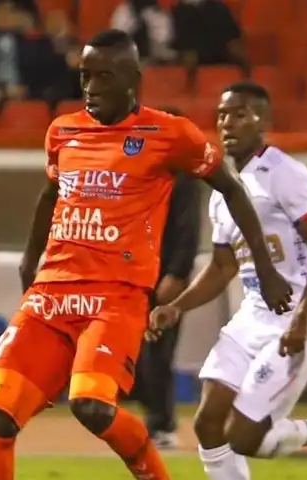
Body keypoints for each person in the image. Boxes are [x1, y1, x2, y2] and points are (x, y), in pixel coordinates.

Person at [0, 28, 293, 480]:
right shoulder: (63, 132)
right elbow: (51, 195)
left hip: (116, 296)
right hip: (51, 295)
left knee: (91, 406)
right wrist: (29, 265)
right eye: (84, 76)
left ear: (134, 80)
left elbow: (232, 188)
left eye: (103, 77)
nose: (91, 88)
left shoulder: (169, 135)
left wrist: (262, 269)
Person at [148, 81, 307, 480]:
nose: (227, 123)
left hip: (295, 319)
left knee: (245, 435)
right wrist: (178, 306)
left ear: (262, 120)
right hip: (252, 316)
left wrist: (303, 314)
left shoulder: (285, 173)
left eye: (239, 114)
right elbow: (222, 268)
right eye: (222, 115)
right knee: (206, 423)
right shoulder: (222, 192)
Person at [132, 105, 202, 449]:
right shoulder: (141, 172)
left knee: (158, 351)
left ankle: (161, 425)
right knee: (131, 350)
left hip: (164, 275)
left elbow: (188, 229)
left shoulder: (184, 176)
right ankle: (146, 419)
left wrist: (177, 272)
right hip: (133, 272)